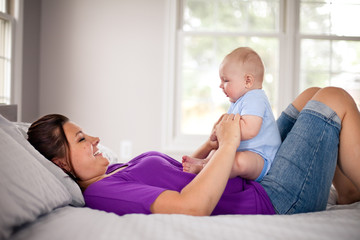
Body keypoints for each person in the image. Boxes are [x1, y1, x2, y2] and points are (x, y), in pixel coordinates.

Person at [27, 87, 360, 216]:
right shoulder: (104, 193)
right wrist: (230, 144)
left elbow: (181, 174)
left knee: (310, 97)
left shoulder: (112, 172)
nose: (95, 139)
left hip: (254, 176)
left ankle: (346, 192)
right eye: (82, 139)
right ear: (61, 163)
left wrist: (212, 144)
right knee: (334, 99)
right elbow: (191, 205)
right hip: (272, 199)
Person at [182, 47, 281, 182]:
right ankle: (205, 162)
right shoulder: (238, 102)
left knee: (239, 161)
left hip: (261, 157)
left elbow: (250, 130)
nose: (221, 85)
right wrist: (218, 135)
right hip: (245, 151)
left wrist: (223, 132)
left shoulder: (255, 97)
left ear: (248, 81)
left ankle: (205, 167)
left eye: (226, 80)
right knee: (220, 154)